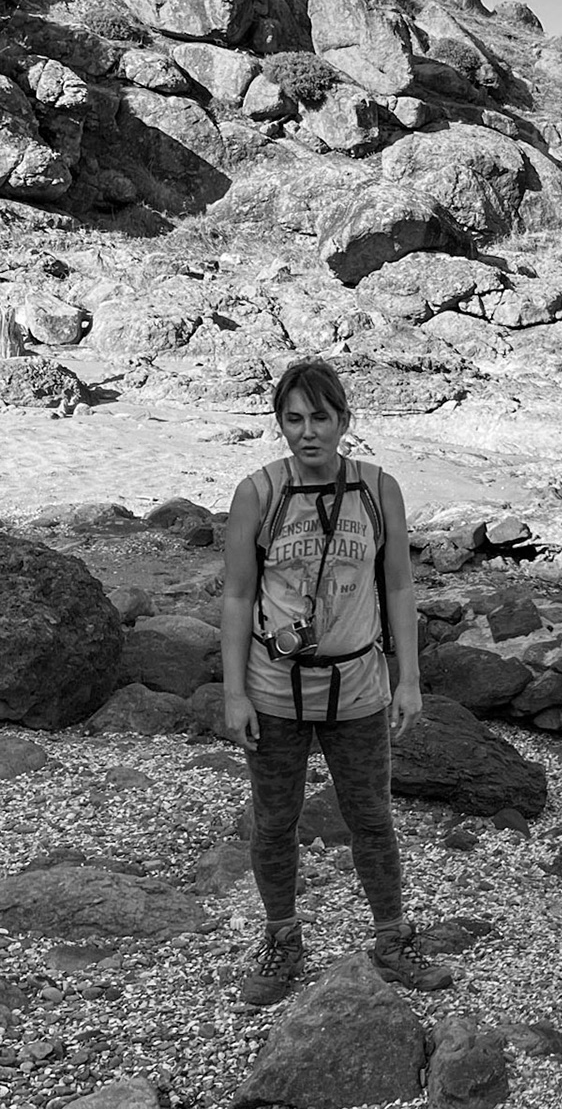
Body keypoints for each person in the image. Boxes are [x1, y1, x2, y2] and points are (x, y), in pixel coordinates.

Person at [220, 357, 447, 1005]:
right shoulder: (257, 494)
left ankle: (392, 938)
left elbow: (399, 584)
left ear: (344, 420)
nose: (307, 431)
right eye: (293, 418)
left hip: (358, 686)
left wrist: (410, 678)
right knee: (274, 821)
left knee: (371, 816)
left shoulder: (379, 489)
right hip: (273, 687)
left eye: (320, 416)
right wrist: (234, 691)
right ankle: (282, 939)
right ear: (281, 424)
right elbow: (237, 597)